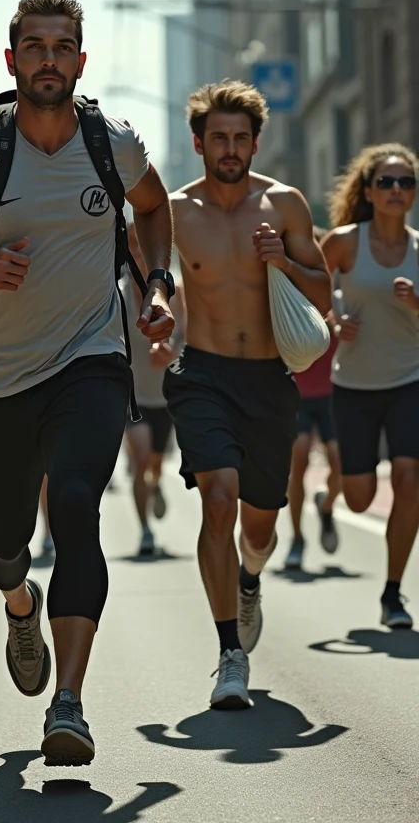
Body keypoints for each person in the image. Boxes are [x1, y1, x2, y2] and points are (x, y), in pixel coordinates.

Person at [0, 0, 174, 766]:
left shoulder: (113, 143)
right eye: (35, 46)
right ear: (13, 59)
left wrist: (155, 288)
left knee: (78, 507)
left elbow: (152, 211)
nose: (49, 59)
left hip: (91, 359)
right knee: (5, 544)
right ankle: (19, 605)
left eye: (63, 47)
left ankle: (70, 704)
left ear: (81, 62)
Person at [165, 80, 330, 709]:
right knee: (219, 497)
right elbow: (138, 278)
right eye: (218, 139)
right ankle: (229, 652)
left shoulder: (285, 205)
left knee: (259, 528)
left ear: (256, 142)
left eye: (240, 138)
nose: (229, 149)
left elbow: (322, 295)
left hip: (268, 380)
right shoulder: (177, 212)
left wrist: (283, 263)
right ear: (199, 143)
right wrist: (155, 320)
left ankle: (250, 578)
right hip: (202, 373)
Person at [321, 143, 419, 629]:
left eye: (406, 183)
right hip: (354, 385)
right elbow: (309, 290)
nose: (397, 190)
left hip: (410, 381)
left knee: (409, 478)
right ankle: (330, 499)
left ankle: (393, 592)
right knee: (359, 496)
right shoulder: (343, 242)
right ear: (369, 191)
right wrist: (336, 320)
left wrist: (417, 304)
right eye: (387, 182)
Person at [123, 223, 182, 556]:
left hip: (165, 397)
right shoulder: (114, 293)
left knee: (156, 462)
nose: (137, 252)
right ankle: (145, 529)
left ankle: (157, 484)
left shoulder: (178, 293)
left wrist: (175, 353)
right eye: (131, 245)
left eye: (142, 244)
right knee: (141, 458)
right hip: (132, 398)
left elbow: (192, 339)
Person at [284, 267, 341, 572]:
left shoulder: (336, 295)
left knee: (341, 464)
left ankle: (327, 506)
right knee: (299, 458)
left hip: (331, 395)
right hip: (298, 397)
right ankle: (296, 538)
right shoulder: (288, 296)